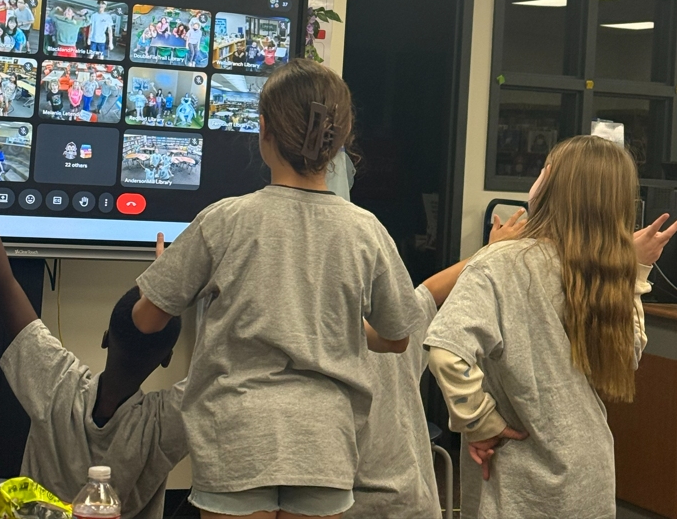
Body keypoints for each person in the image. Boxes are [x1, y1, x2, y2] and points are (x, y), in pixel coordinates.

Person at [132, 58, 422, 519]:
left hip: (236, 438)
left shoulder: (223, 220)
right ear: (340, 140)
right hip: (324, 446)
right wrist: (337, 324)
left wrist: (169, 274)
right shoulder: (366, 230)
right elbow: (397, 337)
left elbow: (146, 319)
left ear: (263, 130)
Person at [426, 135, 677, 519]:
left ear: (551, 187)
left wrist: (479, 422)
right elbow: (628, 357)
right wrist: (637, 272)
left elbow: (447, 352)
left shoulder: (500, 263)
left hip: (517, 479)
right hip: (587, 476)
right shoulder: (607, 273)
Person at [0, 182, 189, 519]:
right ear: (166, 359)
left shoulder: (56, 385)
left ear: (106, 337)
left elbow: (3, 281)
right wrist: (179, 287)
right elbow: (225, 360)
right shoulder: (165, 424)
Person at [347, 211, 527, 519]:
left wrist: (491, 252)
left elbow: (430, 292)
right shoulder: (396, 329)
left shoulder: (332, 336)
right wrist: (491, 252)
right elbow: (430, 291)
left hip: (348, 503)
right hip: (409, 501)